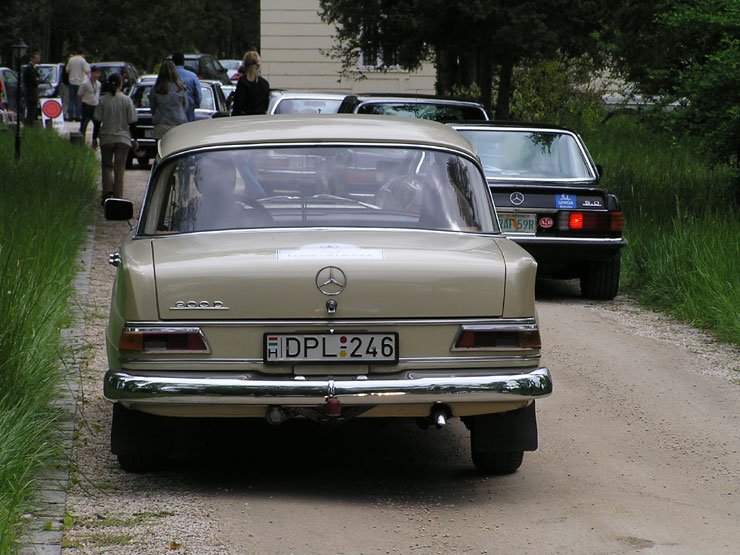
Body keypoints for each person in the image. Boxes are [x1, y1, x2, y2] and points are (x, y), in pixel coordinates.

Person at [93, 73, 137, 205]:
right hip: (123, 138)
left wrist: (94, 138)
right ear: (120, 84)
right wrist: (135, 139)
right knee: (119, 168)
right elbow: (132, 121)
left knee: (107, 166)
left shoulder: (103, 100)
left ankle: (107, 193)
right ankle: (118, 196)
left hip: (106, 138)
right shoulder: (126, 100)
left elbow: (97, 121)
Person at [148, 60, 187, 139]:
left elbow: (152, 107)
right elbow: (185, 106)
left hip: (161, 125)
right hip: (179, 124)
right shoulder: (181, 88)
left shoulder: (156, 89)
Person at [231, 50, 270, 116]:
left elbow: (238, 106)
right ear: (258, 65)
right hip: (260, 121)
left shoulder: (242, 83)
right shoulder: (265, 84)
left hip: (243, 121)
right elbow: (266, 106)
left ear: (245, 65)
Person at [171, 52, 201, 121]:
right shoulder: (192, 76)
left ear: (173, 62)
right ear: (183, 62)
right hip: (189, 110)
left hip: (172, 111)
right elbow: (198, 95)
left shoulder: (168, 77)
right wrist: (195, 105)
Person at [66, 48, 90, 122]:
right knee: (79, 100)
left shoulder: (71, 60)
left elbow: (67, 70)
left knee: (71, 99)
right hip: (80, 82)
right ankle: (78, 116)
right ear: (82, 53)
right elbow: (87, 70)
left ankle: (70, 116)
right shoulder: (83, 60)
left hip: (72, 82)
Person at [78, 66, 101, 140]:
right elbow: (79, 95)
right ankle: (81, 142)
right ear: (92, 73)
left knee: (97, 125)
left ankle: (95, 141)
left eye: (99, 73)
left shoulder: (98, 84)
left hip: (95, 107)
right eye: (96, 73)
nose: (98, 75)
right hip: (87, 106)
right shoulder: (85, 83)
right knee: (84, 125)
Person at [22, 50, 40, 126]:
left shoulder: (33, 68)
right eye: (36, 58)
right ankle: (29, 125)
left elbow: (38, 77)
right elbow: (34, 81)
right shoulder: (29, 68)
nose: (38, 60)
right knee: (31, 110)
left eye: (38, 58)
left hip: (33, 93)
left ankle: (30, 124)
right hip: (31, 93)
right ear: (31, 58)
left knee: (33, 110)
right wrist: (37, 80)